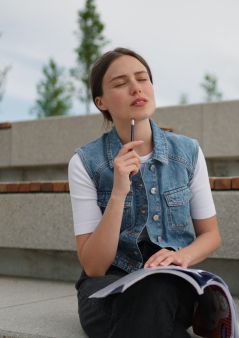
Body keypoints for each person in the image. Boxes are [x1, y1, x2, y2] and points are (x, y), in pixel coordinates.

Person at [68, 47, 221, 338]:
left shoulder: (187, 152)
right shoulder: (86, 162)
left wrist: (182, 257)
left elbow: (211, 235)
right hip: (107, 288)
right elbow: (95, 266)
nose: (136, 87)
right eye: (120, 83)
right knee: (152, 311)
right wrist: (118, 193)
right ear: (100, 102)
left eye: (142, 78)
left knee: (156, 288)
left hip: (171, 280)